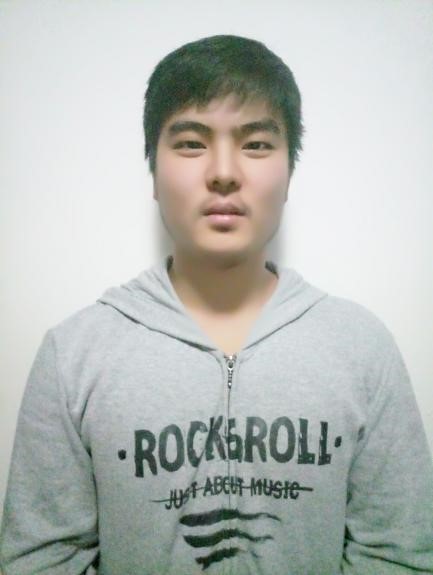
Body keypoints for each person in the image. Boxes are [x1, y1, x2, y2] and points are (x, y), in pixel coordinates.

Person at [0, 34, 432, 575]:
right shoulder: (73, 355)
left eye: (256, 144)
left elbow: (398, 553)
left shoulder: (362, 348)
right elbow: (42, 559)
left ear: (289, 174)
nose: (224, 172)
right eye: (190, 143)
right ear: (153, 173)